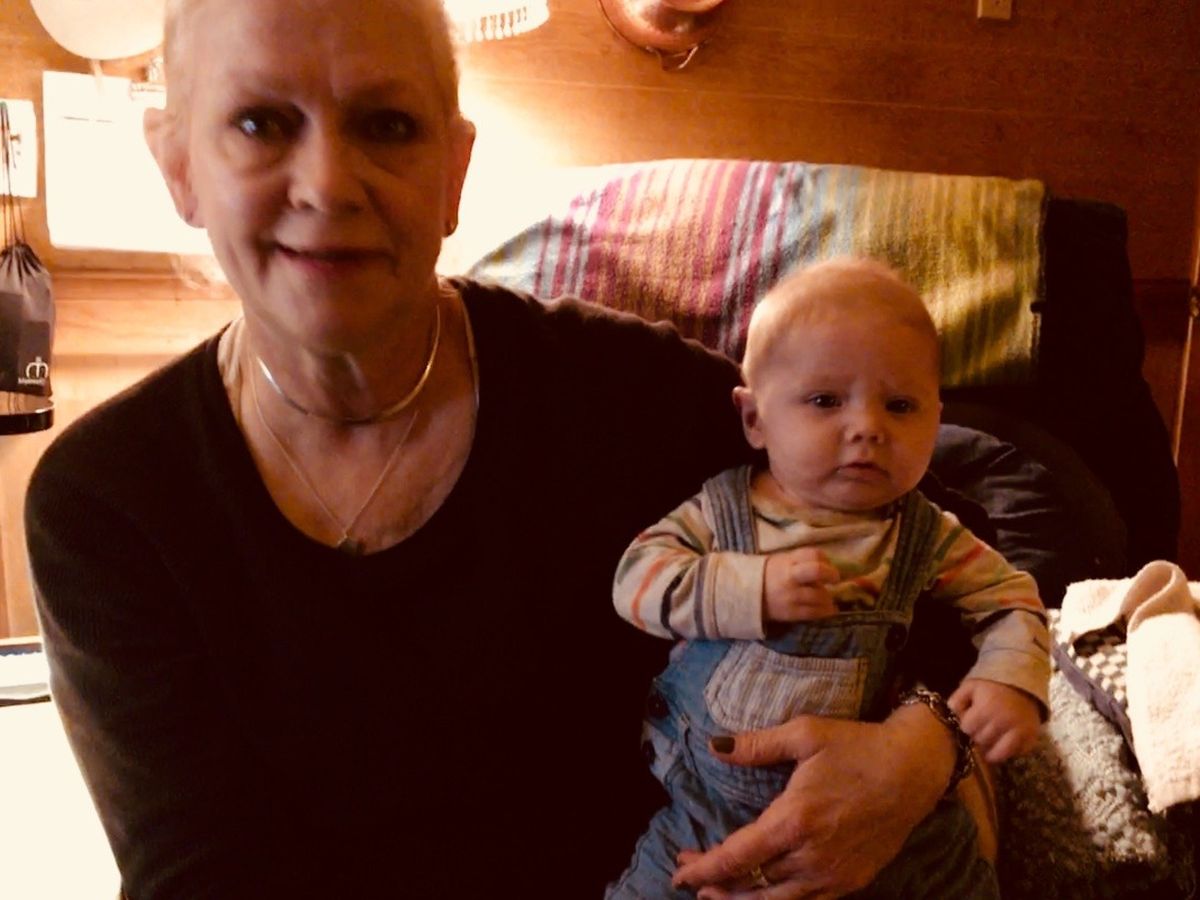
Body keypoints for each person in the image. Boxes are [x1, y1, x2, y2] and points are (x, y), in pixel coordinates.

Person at [25, 1, 1000, 896]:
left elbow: (957, 549)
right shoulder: (106, 501)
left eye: (386, 125)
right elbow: (198, 876)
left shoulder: (626, 395)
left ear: (454, 173)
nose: (326, 184)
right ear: (178, 166)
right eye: (259, 123)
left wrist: (919, 756)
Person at [609, 259, 1050, 898]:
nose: (868, 427)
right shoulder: (720, 512)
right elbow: (636, 579)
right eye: (825, 401)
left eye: (900, 405)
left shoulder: (926, 536)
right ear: (754, 419)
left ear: (936, 418)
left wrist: (1009, 676)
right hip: (707, 810)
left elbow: (1010, 597)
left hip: (887, 813)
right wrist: (750, 589)